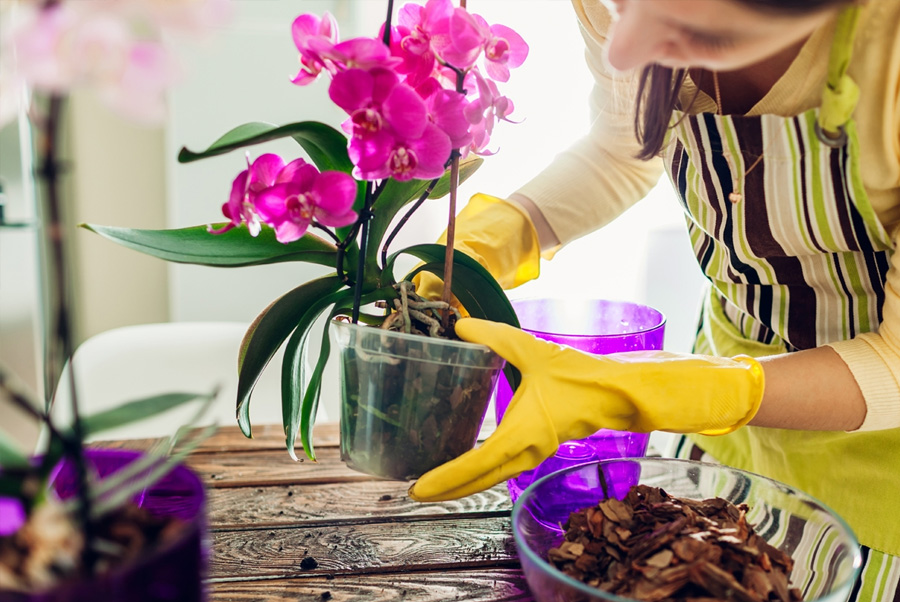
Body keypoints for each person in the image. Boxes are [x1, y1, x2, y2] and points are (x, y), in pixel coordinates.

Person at [408, 0, 900, 597]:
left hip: (879, 486)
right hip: (722, 440)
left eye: (688, 26)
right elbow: (623, 145)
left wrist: (653, 386)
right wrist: (498, 239)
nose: (623, 46)